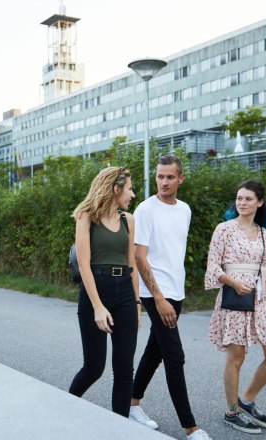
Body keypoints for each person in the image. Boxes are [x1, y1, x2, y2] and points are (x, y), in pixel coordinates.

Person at [204, 180, 266, 434]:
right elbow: (213, 267)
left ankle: (246, 400)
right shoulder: (223, 229)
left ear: (259, 202)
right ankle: (232, 412)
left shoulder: (264, 235)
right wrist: (233, 281)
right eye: (239, 198)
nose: (242, 203)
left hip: (259, 300)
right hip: (233, 299)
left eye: (248, 199)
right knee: (236, 357)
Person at [127, 154, 212, 440]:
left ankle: (131, 404)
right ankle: (191, 428)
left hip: (177, 291)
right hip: (155, 293)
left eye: (169, 177)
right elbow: (140, 257)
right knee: (175, 357)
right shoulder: (145, 209)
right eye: (160, 176)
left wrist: (172, 295)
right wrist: (159, 298)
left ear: (180, 179)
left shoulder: (184, 210)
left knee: (155, 353)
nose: (163, 182)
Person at [68, 167, 140, 417]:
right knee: (94, 367)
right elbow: (84, 264)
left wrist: (137, 305)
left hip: (125, 296)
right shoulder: (86, 216)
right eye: (129, 188)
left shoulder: (128, 220)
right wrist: (98, 306)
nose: (132, 194)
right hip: (95, 292)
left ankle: (120, 428)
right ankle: (63, 407)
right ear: (115, 188)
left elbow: (132, 265)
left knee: (124, 370)